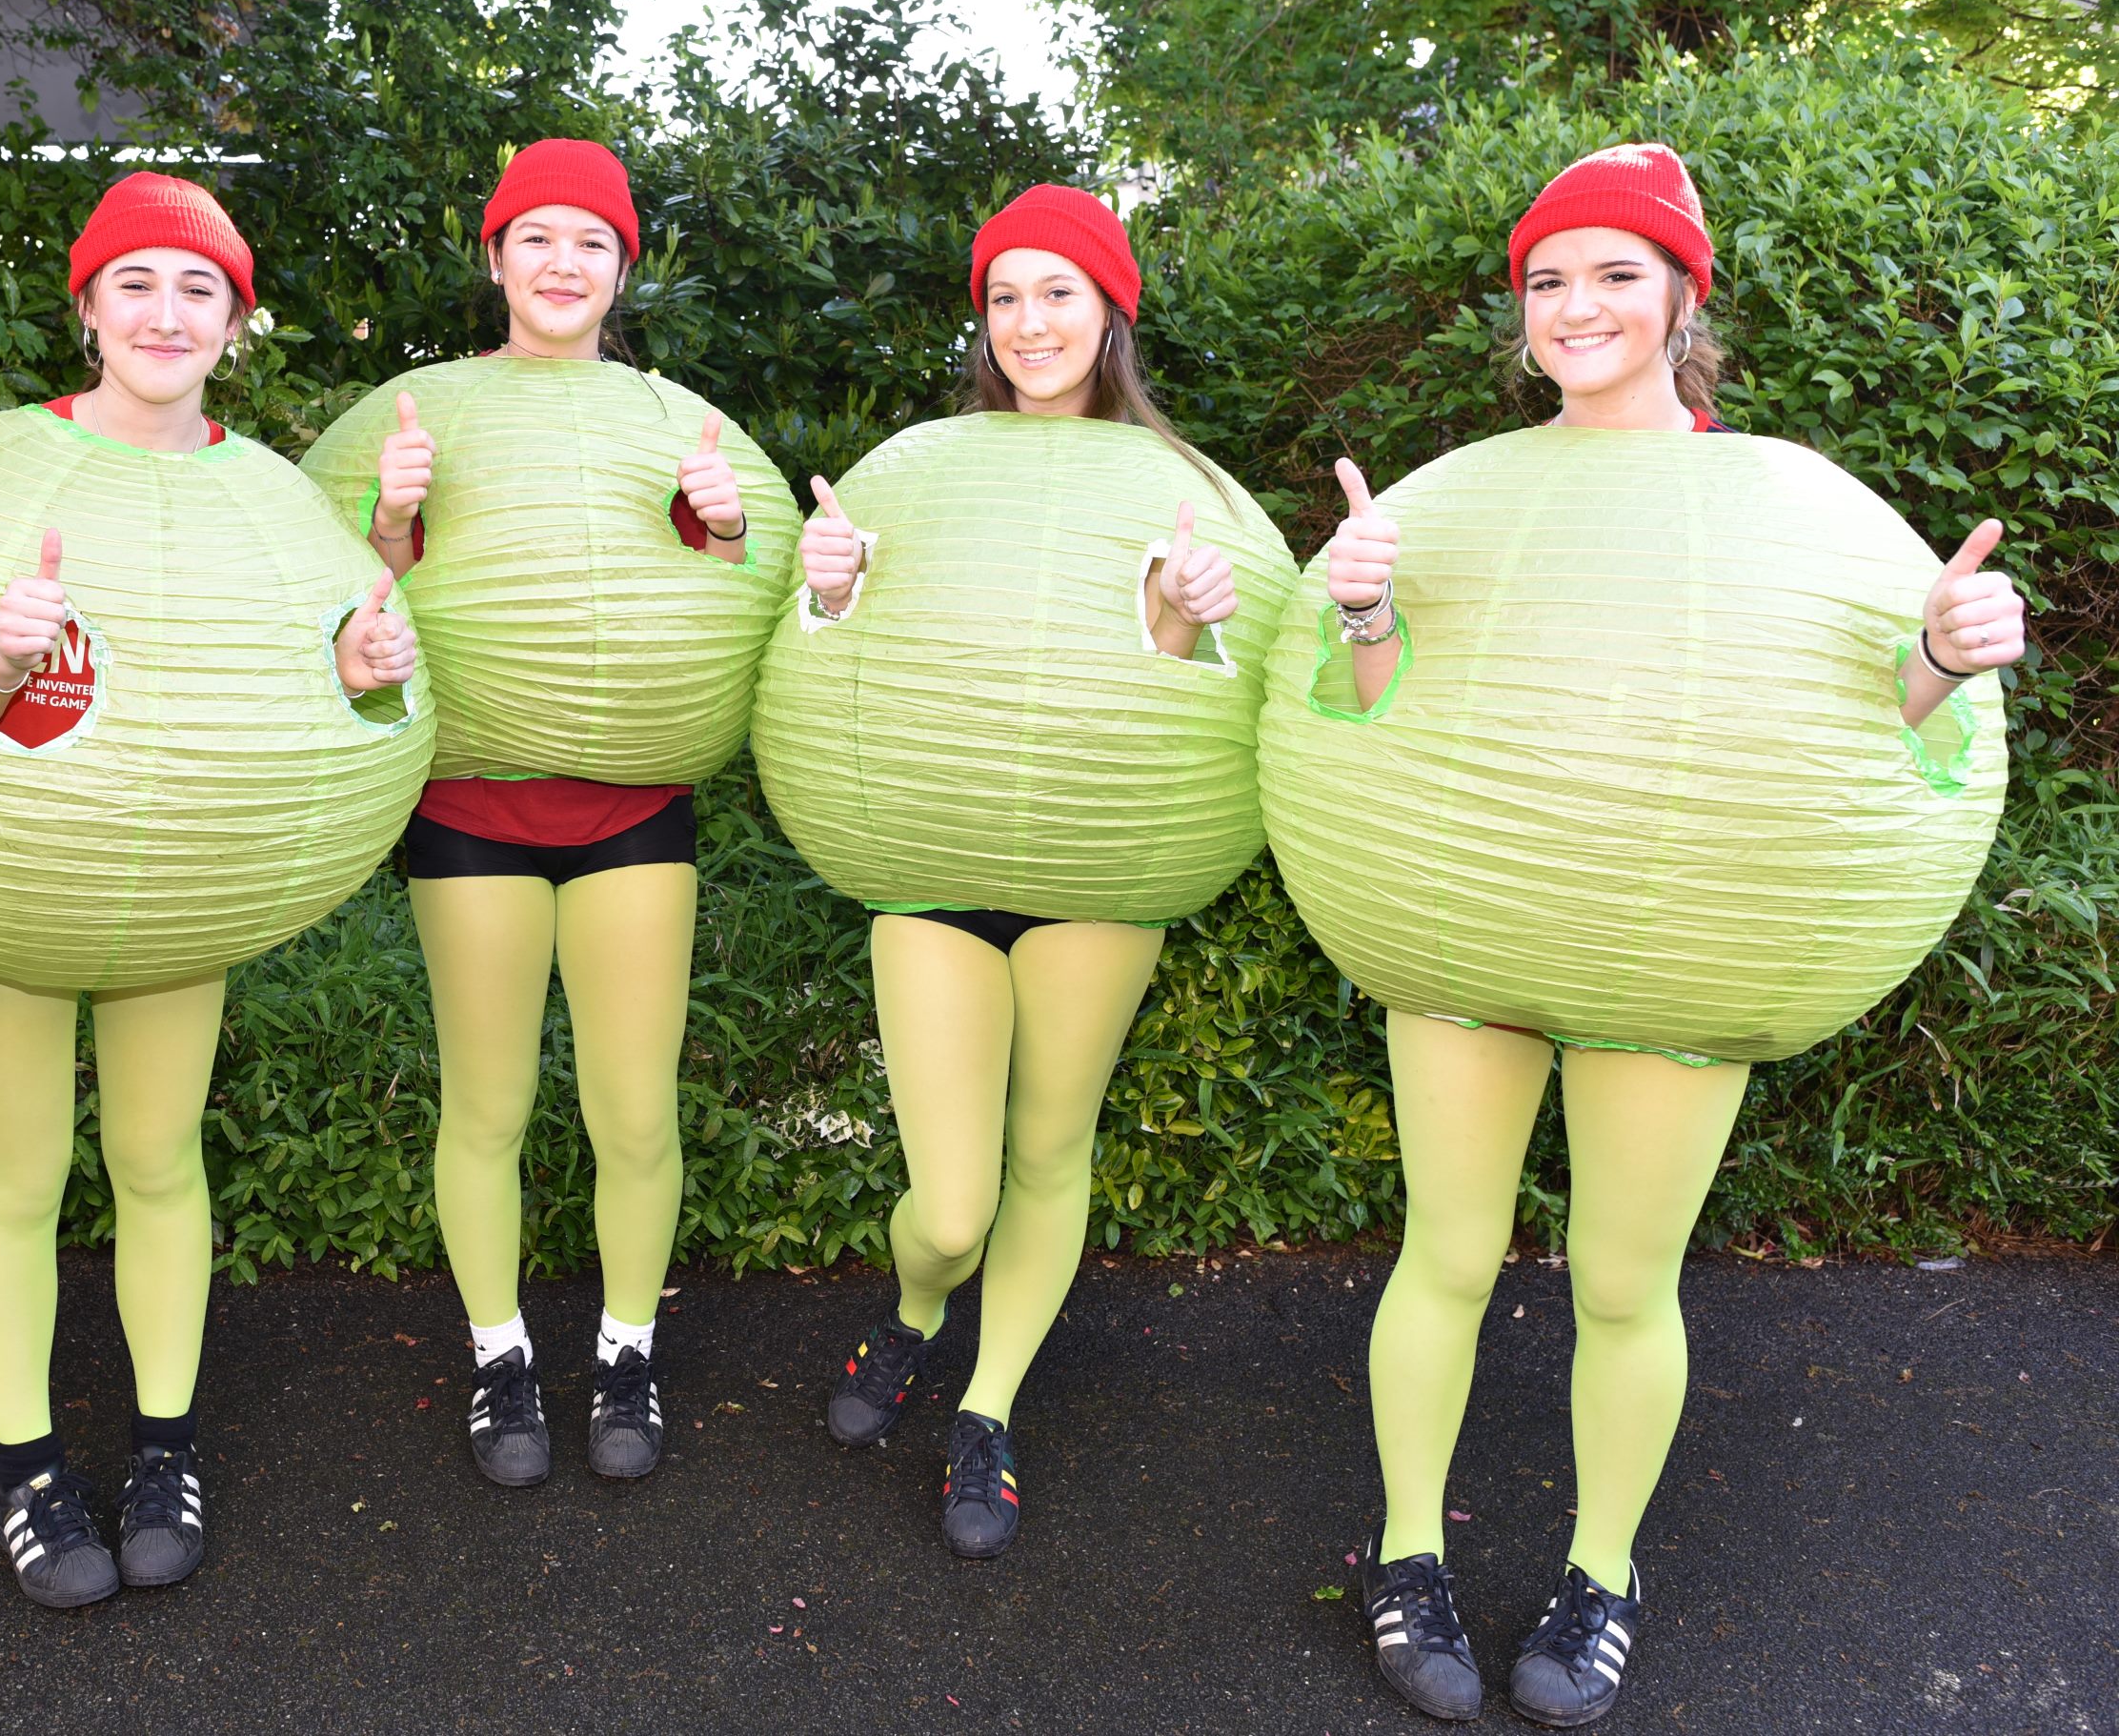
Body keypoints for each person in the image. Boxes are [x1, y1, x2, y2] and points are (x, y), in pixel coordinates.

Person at [1336, 144, 2026, 1726]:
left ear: (1680, 297)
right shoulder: (1460, 503)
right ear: (1521, 319)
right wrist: (1369, 610)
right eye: (1547, 282)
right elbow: (1364, 727)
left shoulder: (1784, 506)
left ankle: (1600, 1574)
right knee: (1445, 1250)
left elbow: (1872, 734)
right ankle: (1405, 1551)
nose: (1576, 305)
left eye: (1613, 274)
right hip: (1462, 939)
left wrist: (1938, 650)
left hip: (1673, 956)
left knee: (1620, 1282)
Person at [0, 173, 418, 1611]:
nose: (166, 310)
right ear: (86, 307)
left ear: (234, 325)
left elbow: (306, 686)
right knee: (14, 1173)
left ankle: (162, 1447)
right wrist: (3, 662)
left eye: (199, 288)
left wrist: (351, 674)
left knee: (156, 1162)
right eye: (135, 282)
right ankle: (25, 1470)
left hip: (172, 896)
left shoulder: (268, 496)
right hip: (1, 890)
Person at [799, 186, 1248, 1559]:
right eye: (1005, 296)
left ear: (1110, 312)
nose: (1029, 321)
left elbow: (1211, 697)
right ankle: (917, 1309)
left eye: (1059, 293)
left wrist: (1185, 617)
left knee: (1051, 1149)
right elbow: (830, 669)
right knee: (949, 1204)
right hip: (930, 868)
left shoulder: (1183, 488)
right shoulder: (917, 469)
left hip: (1100, 875)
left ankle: (987, 1409)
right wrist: (826, 587)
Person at [343, 139, 758, 1487]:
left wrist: (724, 526)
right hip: (469, 805)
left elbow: (741, 609)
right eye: (537, 238)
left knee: (635, 1111)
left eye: (591, 241)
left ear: (622, 265)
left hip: (635, 808)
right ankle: (500, 1359)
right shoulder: (421, 408)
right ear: (496, 258)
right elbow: (343, 608)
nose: (563, 263)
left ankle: (628, 1351)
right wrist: (394, 522)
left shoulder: (673, 417)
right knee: (489, 1104)